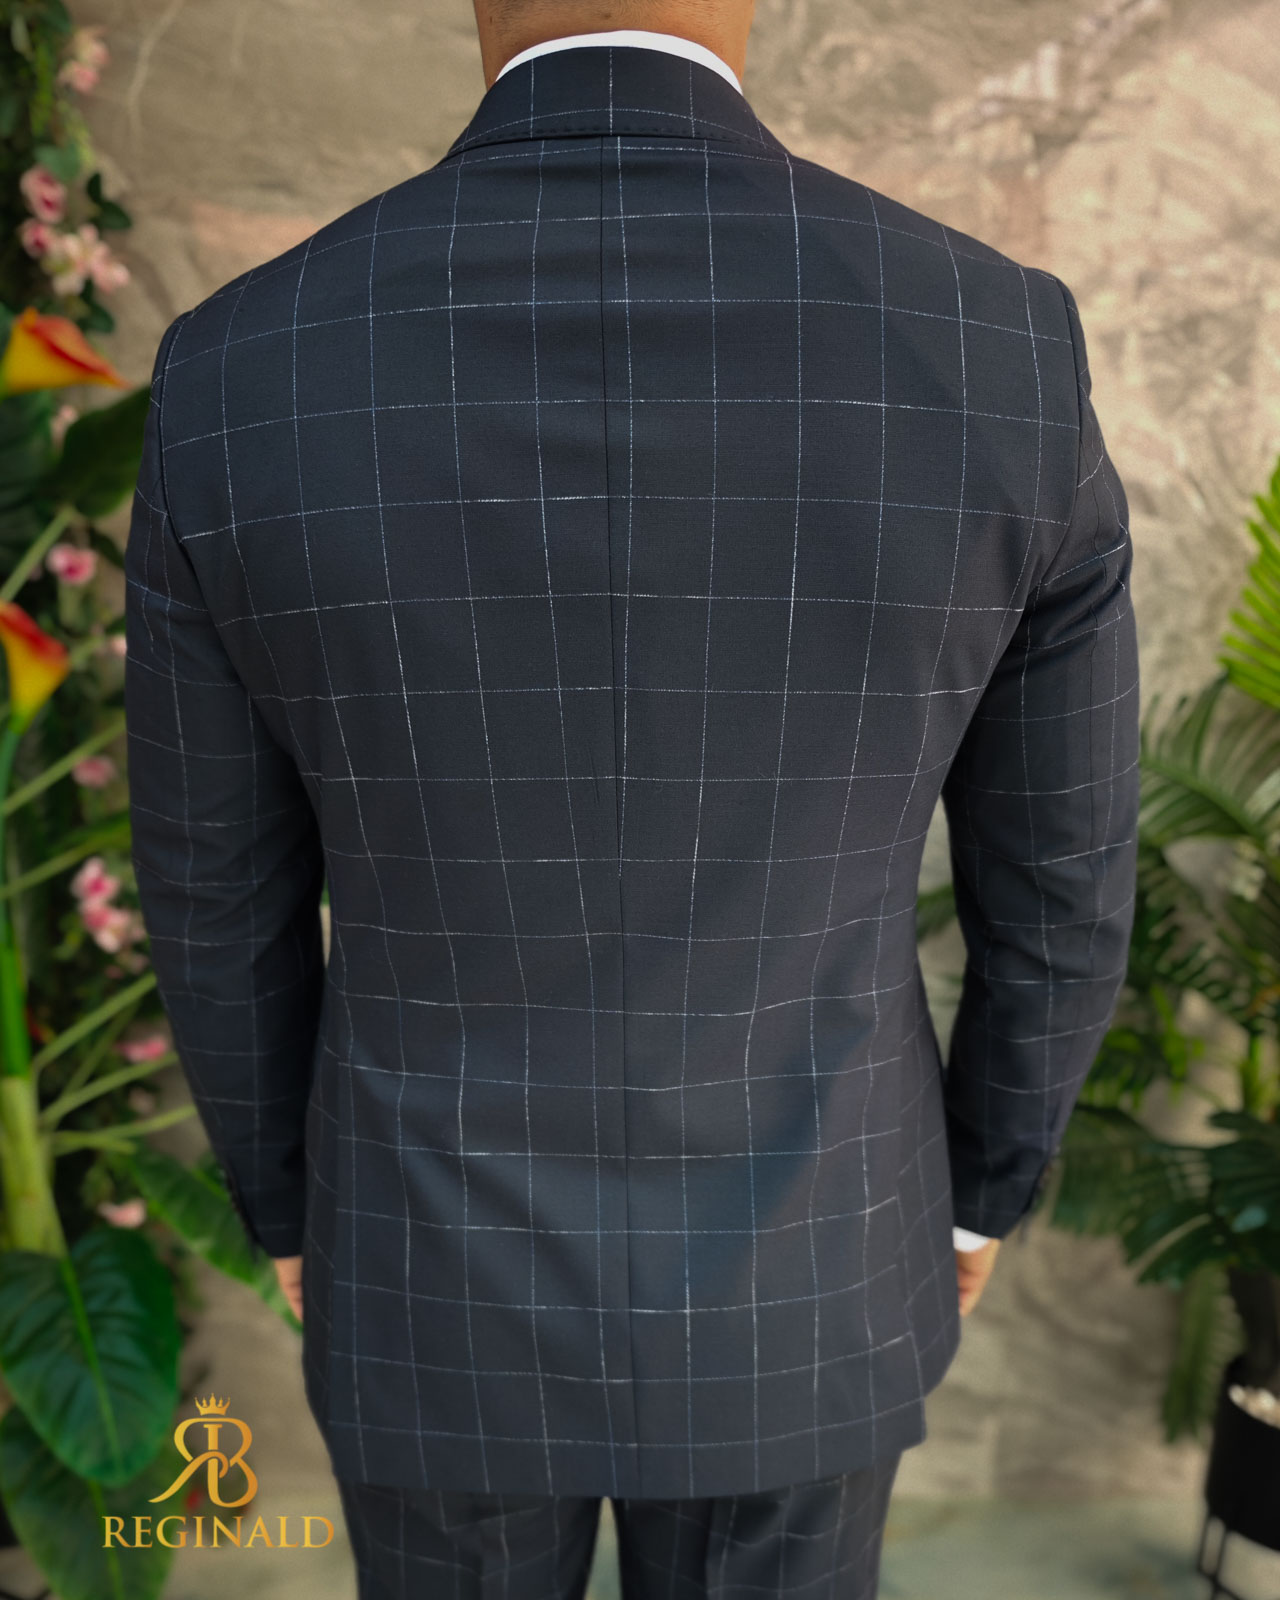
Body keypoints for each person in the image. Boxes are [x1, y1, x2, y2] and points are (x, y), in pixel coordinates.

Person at [123, 0, 1140, 1594]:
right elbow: (1066, 884)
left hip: (424, 1259)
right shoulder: (995, 346)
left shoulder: (244, 368)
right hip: (814, 1263)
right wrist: (979, 1189)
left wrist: (290, 1205)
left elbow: (210, 889)